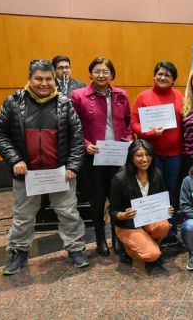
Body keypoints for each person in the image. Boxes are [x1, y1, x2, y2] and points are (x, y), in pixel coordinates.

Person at [0, 59, 89, 275]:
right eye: (39, 79)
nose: (44, 83)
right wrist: (15, 160)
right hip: (27, 174)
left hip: (60, 173)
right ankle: (18, 251)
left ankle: (75, 248)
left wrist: (73, 165)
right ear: (29, 79)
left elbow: (77, 138)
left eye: (48, 79)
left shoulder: (65, 104)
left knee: (68, 213)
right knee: (23, 216)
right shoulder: (13, 102)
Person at [71, 57, 133, 256]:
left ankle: (117, 236)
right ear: (90, 73)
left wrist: (130, 139)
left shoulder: (121, 95)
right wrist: (85, 145)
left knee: (117, 197)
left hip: (118, 155)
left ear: (112, 74)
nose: (101, 75)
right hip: (94, 157)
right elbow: (74, 127)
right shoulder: (78, 96)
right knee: (97, 200)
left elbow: (129, 122)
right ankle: (99, 238)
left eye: (105, 71)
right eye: (97, 71)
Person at [131, 61, 184, 245]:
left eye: (167, 76)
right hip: (149, 156)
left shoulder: (179, 96)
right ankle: (152, 230)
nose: (163, 78)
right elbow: (134, 123)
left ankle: (170, 230)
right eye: (160, 74)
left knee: (171, 191)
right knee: (153, 192)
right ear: (154, 76)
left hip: (174, 154)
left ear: (173, 80)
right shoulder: (143, 96)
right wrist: (151, 133)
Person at [109, 140, 173, 267]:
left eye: (148, 155)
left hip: (149, 220)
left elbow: (162, 199)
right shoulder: (119, 178)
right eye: (139, 155)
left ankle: (149, 245)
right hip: (128, 224)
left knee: (164, 225)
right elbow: (112, 211)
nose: (145, 159)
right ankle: (128, 247)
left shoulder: (157, 174)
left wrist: (167, 209)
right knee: (152, 255)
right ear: (131, 157)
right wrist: (124, 215)